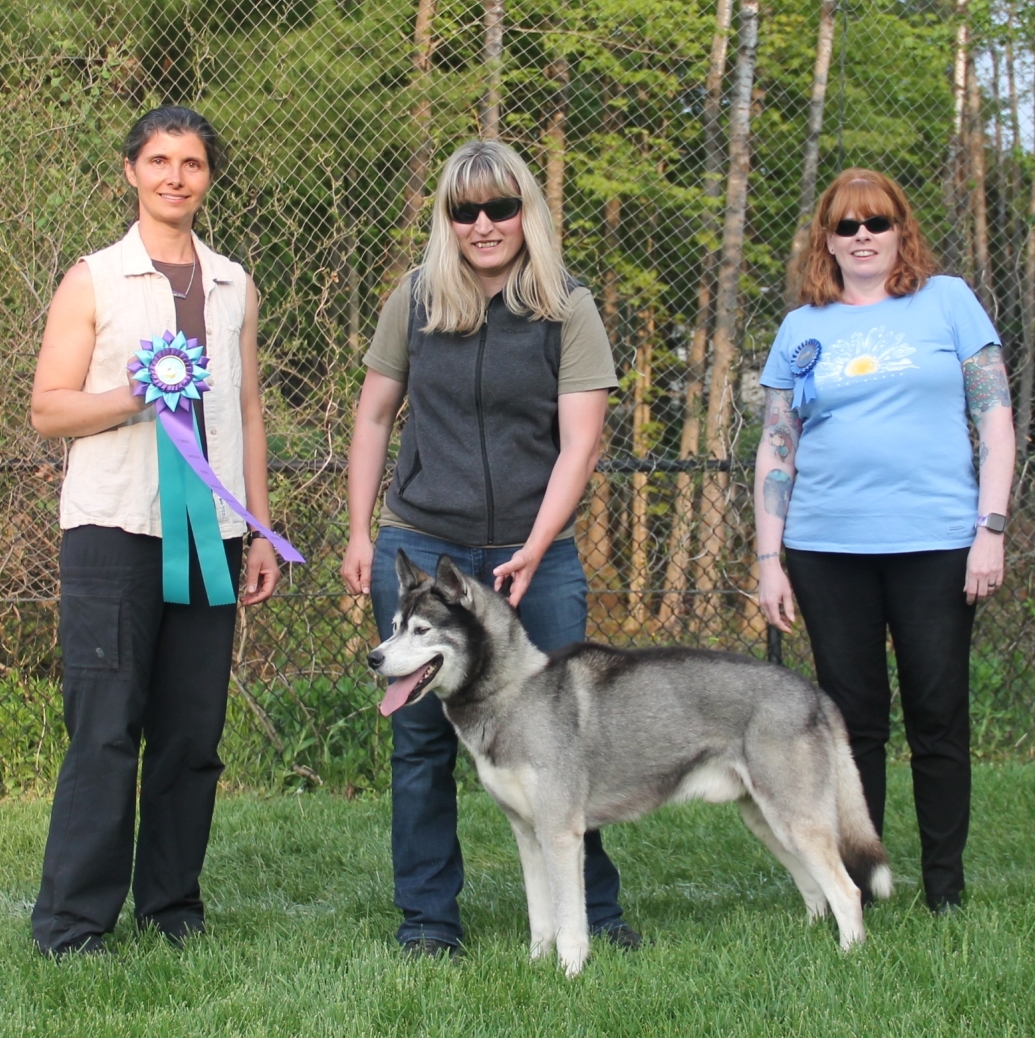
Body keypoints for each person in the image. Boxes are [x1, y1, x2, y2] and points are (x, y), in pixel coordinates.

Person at [340, 139, 638, 957]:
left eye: (499, 207)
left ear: (525, 212)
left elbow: (579, 444)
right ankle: (428, 921)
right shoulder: (413, 299)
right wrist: (360, 532)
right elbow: (373, 415)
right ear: (446, 218)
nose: (482, 224)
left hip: (531, 557)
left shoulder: (567, 306)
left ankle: (595, 913)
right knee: (418, 741)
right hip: (422, 545)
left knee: (562, 738)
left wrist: (536, 546)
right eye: (463, 210)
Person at [29, 106, 282, 956]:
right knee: (105, 730)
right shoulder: (93, 280)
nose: (176, 177)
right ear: (131, 171)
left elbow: (248, 410)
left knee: (191, 733)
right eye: (160, 161)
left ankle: (172, 910)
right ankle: (73, 925)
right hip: (114, 530)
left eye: (193, 163)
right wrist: (136, 396)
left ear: (209, 178)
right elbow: (47, 409)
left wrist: (258, 530)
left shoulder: (234, 284)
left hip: (211, 535)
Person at [755, 168, 1016, 914]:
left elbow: (996, 420)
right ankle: (860, 887)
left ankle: (945, 889)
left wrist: (990, 529)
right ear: (827, 240)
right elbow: (776, 445)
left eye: (877, 222)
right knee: (852, 723)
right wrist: (769, 559)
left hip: (937, 543)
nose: (862, 236)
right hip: (826, 548)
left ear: (901, 230)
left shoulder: (948, 301)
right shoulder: (801, 327)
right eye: (847, 225)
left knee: (938, 714)